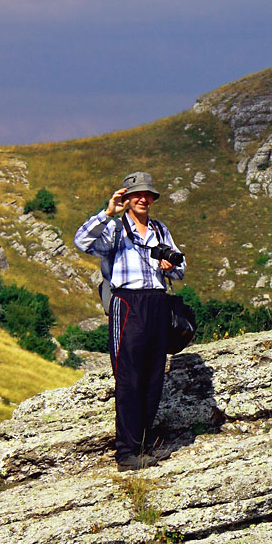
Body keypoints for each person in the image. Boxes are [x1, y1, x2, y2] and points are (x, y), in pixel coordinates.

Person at [75, 171, 186, 470]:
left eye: (147, 194)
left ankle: (145, 446)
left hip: (157, 303)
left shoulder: (161, 230)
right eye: (136, 194)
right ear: (126, 199)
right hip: (128, 302)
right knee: (128, 379)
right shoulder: (114, 230)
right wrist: (106, 212)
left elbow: (180, 267)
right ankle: (126, 453)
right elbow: (82, 241)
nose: (142, 199)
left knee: (153, 378)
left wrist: (170, 265)